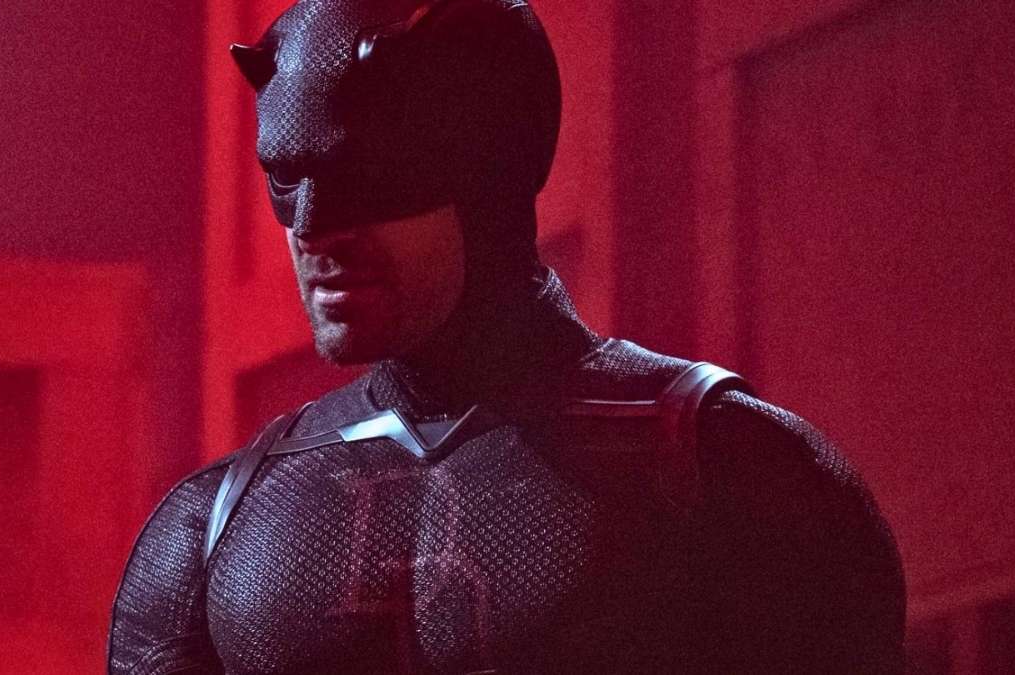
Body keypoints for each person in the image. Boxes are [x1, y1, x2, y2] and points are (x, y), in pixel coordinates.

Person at [108, 0, 906, 672]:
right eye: (287, 178)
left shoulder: (739, 475)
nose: (316, 226)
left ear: (491, 169)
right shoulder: (211, 531)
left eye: (367, 173)